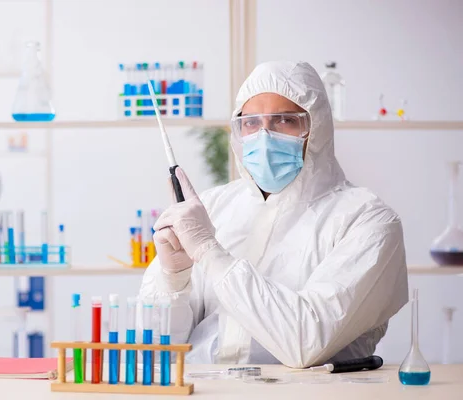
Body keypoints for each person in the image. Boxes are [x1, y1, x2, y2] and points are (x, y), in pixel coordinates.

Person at [138, 61, 409, 368]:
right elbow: (157, 350)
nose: (264, 137)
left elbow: (305, 342)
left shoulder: (367, 220)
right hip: (206, 389)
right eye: (251, 123)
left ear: (316, 127)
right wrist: (173, 280)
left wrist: (210, 253)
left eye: (283, 120)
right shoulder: (213, 207)